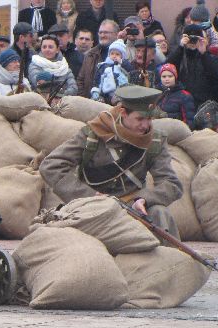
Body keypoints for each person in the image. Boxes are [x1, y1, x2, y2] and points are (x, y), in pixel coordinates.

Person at [40, 85, 183, 240]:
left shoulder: (155, 141)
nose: (146, 125)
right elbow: (51, 166)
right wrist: (89, 196)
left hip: (133, 208)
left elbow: (171, 183)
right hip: (92, 207)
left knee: (160, 213)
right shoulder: (93, 134)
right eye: (140, 119)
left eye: (149, 119)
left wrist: (144, 199)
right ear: (123, 113)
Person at [166, 24, 218, 108]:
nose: (192, 42)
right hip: (183, 102)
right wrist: (181, 47)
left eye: (195, 39)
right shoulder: (179, 55)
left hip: (205, 104)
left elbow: (216, 75)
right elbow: (168, 67)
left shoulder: (210, 57)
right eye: (189, 38)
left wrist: (204, 53)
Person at [77, 20, 119, 97]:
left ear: (116, 35)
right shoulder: (90, 55)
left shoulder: (123, 54)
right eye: (100, 32)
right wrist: (84, 99)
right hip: (90, 103)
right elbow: (80, 80)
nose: (102, 35)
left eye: (106, 32)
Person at [90, 39, 130, 104]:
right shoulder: (103, 66)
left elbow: (127, 77)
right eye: (112, 53)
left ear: (122, 56)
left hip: (118, 95)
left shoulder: (123, 67)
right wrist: (96, 92)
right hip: (104, 94)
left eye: (117, 54)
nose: (114, 56)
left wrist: (122, 63)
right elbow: (97, 80)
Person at [157, 63, 196, 127]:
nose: (167, 79)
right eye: (164, 76)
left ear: (175, 77)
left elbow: (189, 120)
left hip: (177, 132)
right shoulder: (157, 94)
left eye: (170, 76)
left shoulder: (185, 96)